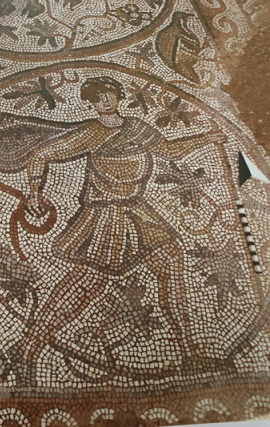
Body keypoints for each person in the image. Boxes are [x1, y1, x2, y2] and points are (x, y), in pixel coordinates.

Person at [12, 76, 225, 385]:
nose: (105, 101)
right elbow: (41, 154)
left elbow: (169, 150)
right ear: (91, 104)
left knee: (170, 260)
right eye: (98, 98)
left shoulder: (136, 127)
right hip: (105, 214)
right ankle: (27, 350)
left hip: (136, 209)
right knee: (86, 285)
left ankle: (190, 353)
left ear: (118, 95)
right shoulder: (91, 134)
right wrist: (34, 191)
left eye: (109, 94)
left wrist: (205, 138)